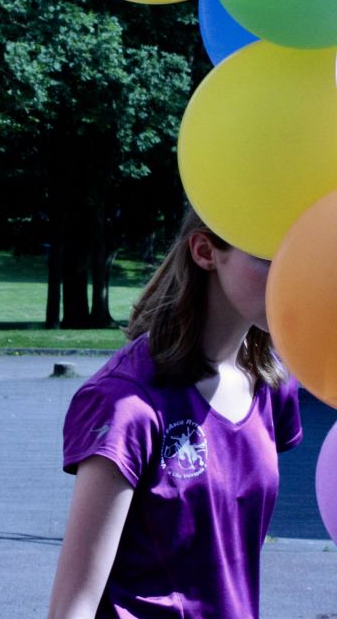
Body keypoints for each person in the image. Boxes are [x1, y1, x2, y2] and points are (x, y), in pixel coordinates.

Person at [47, 206, 302, 618]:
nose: (288, 274)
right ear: (204, 251)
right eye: (266, 257)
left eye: (293, 254)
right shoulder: (124, 402)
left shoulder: (272, 384)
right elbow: (72, 607)